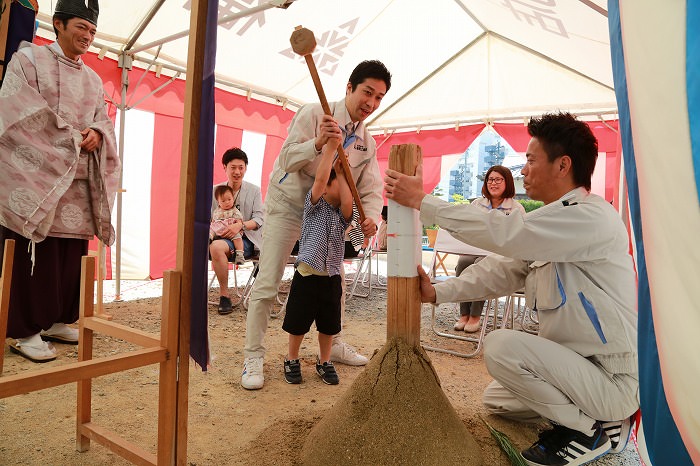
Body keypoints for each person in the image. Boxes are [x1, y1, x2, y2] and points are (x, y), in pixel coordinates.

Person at [384, 113, 638, 466]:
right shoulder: (551, 222)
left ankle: (591, 430)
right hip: (575, 370)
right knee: (498, 399)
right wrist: (438, 293)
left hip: (609, 377)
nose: (523, 171)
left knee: (500, 346)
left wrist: (424, 202)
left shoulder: (591, 217)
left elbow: (506, 232)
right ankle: (593, 418)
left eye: (531, 160)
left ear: (563, 165)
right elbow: (501, 271)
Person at [241, 60, 392, 390]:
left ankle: (333, 343)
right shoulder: (314, 114)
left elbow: (369, 187)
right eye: (367, 92)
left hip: (329, 217)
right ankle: (253, 355)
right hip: (290, 206)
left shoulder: (367, 141)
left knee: (332, 282)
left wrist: (369, 216)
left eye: (379, 97)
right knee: (268, 280)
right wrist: (319, 143)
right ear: (349, 87)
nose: (371, 102)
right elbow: (287, 159)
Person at [0, 0, 120, 363]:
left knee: (68, 255)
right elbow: (16, 112)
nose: (88, 36)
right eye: (82, 28)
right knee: (31, 253)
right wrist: (67, 138)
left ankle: (57, 319)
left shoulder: (94, 78)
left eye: (93, 31)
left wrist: (98, 133)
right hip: (35, 176)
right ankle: (22, 330)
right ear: (59, 25)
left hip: (78, 180)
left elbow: (104, 120)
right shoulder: (28, 60)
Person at [282, 138, 352, 386]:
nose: (344, 190)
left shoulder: (342, 217)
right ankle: (292, 359)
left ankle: (324, 361)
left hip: (331, 278)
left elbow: (347, 203)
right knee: (298, 322)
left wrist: (343, 176)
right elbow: (321, 181)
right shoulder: (313, 207)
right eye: (338, 184)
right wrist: (331, 153)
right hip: (307, 275)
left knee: (329, 325)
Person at [453, 165, 525, 333]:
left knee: (481, 264)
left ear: (507, 182)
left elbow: (521, 237)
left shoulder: (516, 208)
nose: (493, 183)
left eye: (498, 179)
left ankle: (475, 315)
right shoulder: (477, 204)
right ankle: (464, 313)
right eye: (490, 179)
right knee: (463, 261)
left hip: (500, 256)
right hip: (475, 248)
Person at [209, 147, 264, 315]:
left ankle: (224, 296)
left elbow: (260, 219)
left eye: (241, 167)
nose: (237, 172)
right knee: (214, 245)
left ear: (246, 168)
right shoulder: (214, 190)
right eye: (233, 167)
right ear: (224, 167)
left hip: (244, 240)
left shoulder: (253, 190)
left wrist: (240, 225)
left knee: (217, 247)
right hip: (218, 236)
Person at [210, 185, 245, 265]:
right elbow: (213, 221)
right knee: (211, 230)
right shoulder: (216, 211)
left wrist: (238, 224)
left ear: (233, 199)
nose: (227, 202)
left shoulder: (235, 211)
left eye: (229, 199)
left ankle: (239, 254)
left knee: (237, 238)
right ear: (218, 202)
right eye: (223, 201)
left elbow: (239, 222)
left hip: (230, 230)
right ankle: (209, 239)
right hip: (218, 229)